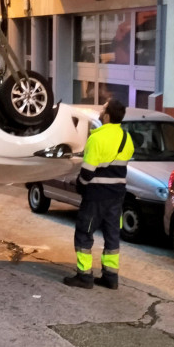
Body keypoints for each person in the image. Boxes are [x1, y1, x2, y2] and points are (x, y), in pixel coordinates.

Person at [63, 98, 134, 290]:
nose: (101, 113)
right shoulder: (127, 139)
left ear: (108, 116)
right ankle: (111, 277)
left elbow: (87, 173)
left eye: (103, 110)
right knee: (112, 236)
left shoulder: (96, 139)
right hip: (117, 196)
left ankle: (84, 276)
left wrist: (80, 185)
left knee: (84, 234)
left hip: (96, 196)